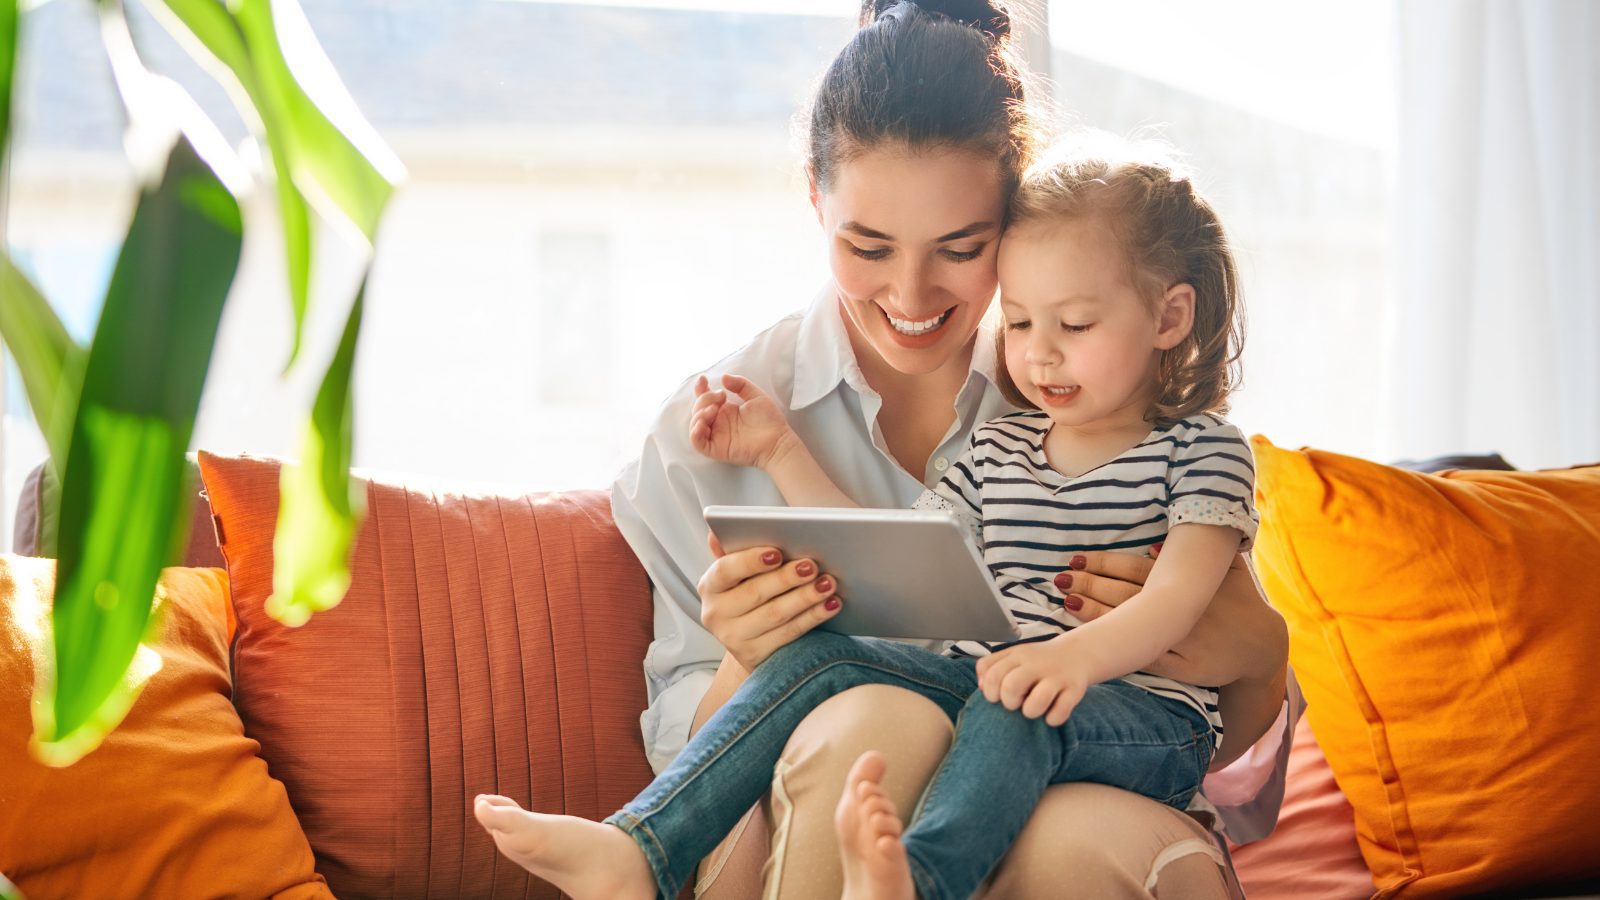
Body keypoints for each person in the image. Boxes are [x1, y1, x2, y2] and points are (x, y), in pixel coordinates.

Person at [478, 1, 1293, 896]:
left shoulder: (1109, 398)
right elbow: (897, 556)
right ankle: (638, 849)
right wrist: (752, 638)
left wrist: (1260, 656)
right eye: (868, 246)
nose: (911, 295)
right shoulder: (719, 428)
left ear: (1014, 218)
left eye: (962, 248)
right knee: (870, 717)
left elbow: (1237, 775)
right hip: (839, 789)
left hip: (1092, 755)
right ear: (815, 199)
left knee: (1061, 813)